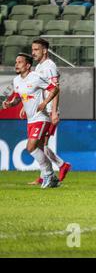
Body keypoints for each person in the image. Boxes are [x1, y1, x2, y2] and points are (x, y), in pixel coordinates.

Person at [1, 53, 60, 188]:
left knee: (30, 147)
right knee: (39, 148)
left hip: (41, 117)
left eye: (20, 62)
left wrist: (45, 103)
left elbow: (54, 88)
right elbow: (18, 98)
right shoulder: (16, 81)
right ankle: (52, 178)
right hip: (30, 120)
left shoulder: (36, 77)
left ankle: (48, 175)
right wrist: (10, 104)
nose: (16, 64)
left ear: (28, 65)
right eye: (16, 62)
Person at [28, 39, 72, 185]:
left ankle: (54, 170)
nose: (33, 53)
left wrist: (54, 112)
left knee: (41, 145)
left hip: (47, 111)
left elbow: (56, 89)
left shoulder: (50, 66)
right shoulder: (40, 66)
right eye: (32, 49)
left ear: (44, 50)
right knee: (41, 145)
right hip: (42, 111)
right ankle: (57, 168)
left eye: (36, 50)